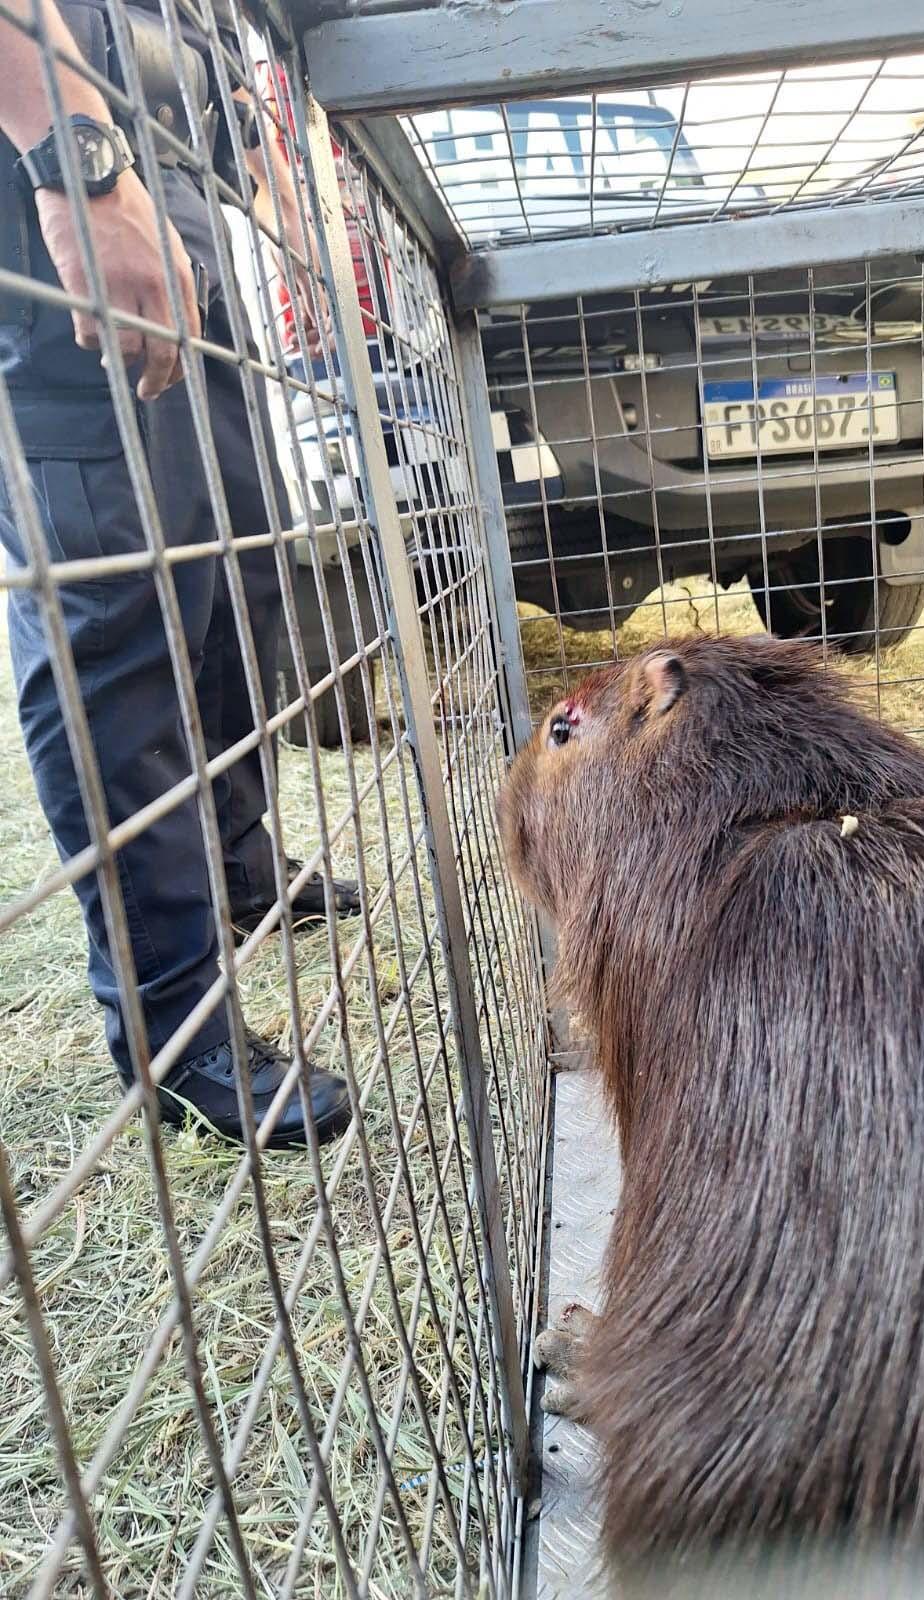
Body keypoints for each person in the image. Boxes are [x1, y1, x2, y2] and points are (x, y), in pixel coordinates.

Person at [0, 0, 357, 1147]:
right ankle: (175, 1021)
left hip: (170, 185)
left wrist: (277, 193)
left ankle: (240, 866)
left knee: (240, 562)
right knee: (116, 600)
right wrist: (74, 156)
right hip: (52, 177)